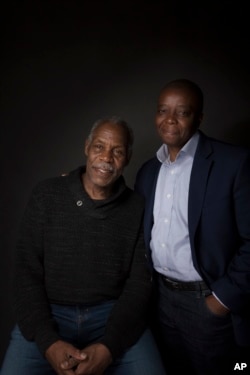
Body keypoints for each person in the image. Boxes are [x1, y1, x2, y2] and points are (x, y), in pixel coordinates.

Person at [1, 116, 166, 375]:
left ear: (127, 158)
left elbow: (139, 284)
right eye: (99, 146)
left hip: (112, 315)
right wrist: (48, 342)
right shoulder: (46, 194)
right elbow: (25, 273)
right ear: (87, 147)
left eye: (117, 151)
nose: (107, 157)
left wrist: (110, 346)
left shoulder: (137, 208)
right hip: (50, 312)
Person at [134, 79, 250, 375]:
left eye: (182, 112)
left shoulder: (233, 163)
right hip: (160, 301)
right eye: (163, 110)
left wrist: (221, 300)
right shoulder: (148, 172)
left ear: (199, 118)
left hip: (208, 304)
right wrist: (78, 179)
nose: (170, 119)